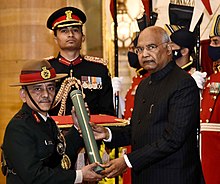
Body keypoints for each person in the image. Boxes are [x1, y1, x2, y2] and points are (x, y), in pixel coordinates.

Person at [91, 26, 204, 184]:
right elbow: (138, 130)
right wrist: (107, 133)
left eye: (151, 47)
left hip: (174, 177)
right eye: (139, 49)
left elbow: (173, 138)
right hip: (145, 176)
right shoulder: (144, 85)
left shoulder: (183, 83)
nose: (144, 54)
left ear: (168, 49)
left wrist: (127, 161)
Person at [2, 60, 104, 184]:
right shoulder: (19, 127)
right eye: (37, 89)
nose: (46, 94)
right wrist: (80, 175)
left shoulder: (47, 121)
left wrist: (78, 128)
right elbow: (35, 176)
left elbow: (61, 158)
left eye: (50, 88)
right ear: (23, 95)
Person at [46, 6, 114, 116]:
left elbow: (108, 112)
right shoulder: (47, 69)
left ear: (83, 37)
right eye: (64, 31)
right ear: (55, 39)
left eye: (75, 30)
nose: (70, 35)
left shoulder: (98, 69)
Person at [200, 14, 220, 184]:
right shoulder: (211, 77)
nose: (212, 47)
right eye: (212, 42)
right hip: (206, 152)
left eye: (216, 42)